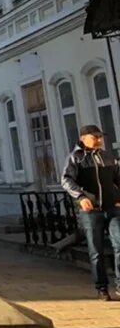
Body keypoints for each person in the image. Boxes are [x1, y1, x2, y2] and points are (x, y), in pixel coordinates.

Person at [61, 124, 120, 300]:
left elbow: (118, 177)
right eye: (95, 137)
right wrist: (80, 197)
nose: (99, 140)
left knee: (119, 244)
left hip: (113, 208)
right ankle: (101, 287)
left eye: (100, 137)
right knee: (96, 250)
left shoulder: (108, 157)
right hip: (91, 211)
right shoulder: (75, 158)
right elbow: (66, 179)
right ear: (83, 138)